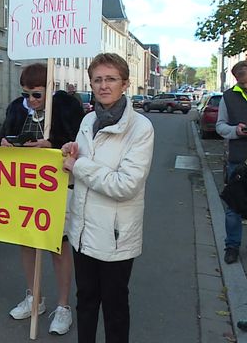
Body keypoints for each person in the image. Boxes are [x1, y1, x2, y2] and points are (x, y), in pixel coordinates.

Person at [62, 53, 154, 343]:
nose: (103, 85)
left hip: (115, 235)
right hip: (83, 231)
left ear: (125, 83)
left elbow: (125, 185)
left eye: (111, 79)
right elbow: (79, 172)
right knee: (86, 301)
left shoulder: (140, 128)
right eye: (98, 79)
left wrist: (80, 166)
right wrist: (71, 153)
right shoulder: (88, 120)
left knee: (115, 308)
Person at [0, 63, 83, 335]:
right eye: (26, 94)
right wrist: (4, 144)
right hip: (25, 189)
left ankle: (64, 305)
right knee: (28, 242)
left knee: (58, 246)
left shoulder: (67, 107)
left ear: (49, 90)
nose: (30, 100)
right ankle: (35, 296)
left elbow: (81, 144)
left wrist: (52, 145)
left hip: (58, 188)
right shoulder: (16, 109)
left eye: (36, 94)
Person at [216, 60, 247, 264]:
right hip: (239, 161)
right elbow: (220, 126)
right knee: (234, 208)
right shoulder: (228, 97)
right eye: (242, 81)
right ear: (236, 79)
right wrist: (235, 131)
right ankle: (232, 247)